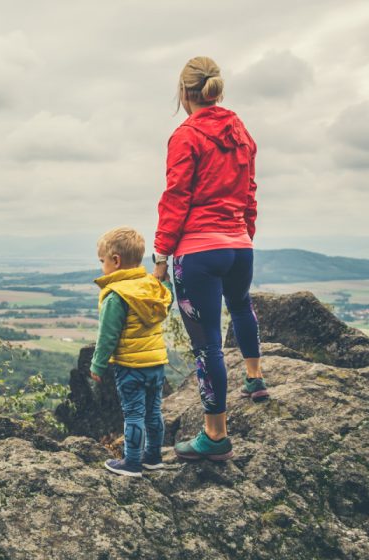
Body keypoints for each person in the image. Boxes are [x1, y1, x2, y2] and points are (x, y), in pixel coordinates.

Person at [152, 56, 269, 463]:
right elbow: (250, 191)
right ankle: (255, 379)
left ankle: (215, 435)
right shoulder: (242, 133)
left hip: (199, 252)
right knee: (241, 306)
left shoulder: (186, 136)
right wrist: (244, 234)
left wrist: (162, 254)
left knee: (207, 348)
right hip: (239, 245)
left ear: (185, 93)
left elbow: (176, 196)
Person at [90, 227, 173, 477]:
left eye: (102, 261)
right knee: (153, 411)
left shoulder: (116, 295)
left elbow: (108, 335)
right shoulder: (150, 286)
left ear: (115, 261)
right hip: (156, 362)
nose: (102, 266)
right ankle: (153, 457)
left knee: (134, 413)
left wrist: (97, 365)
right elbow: (167, 296)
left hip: (130, 366)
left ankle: (132, 462)